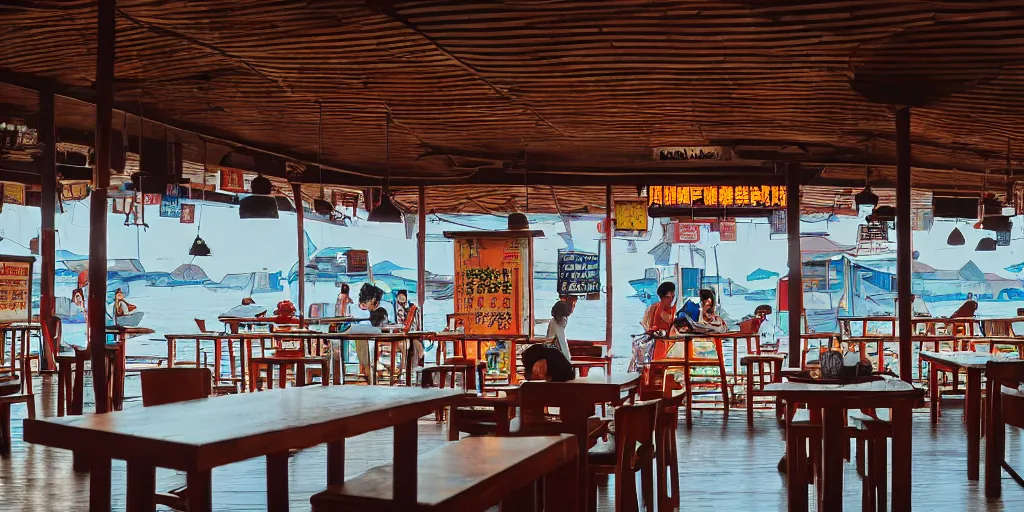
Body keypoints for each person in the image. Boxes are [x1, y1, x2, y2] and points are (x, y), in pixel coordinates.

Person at [642, 282, 677, 360]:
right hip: (661, 343)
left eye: (672, 296)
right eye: (667, 297)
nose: (671, 298)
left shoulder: (670, 308)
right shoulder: (659, 309)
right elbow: (670, 321)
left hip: (668, 343)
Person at [394, 290, 423, 370]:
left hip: (411, 331)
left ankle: (412, 365)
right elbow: (398, 320)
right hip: (402, 331)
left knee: (415, 342)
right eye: (399, 297)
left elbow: (417, 323)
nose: (400, 299)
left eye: (402, 297)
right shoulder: (397, 306)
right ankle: (403, 365)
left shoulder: (413, 308)